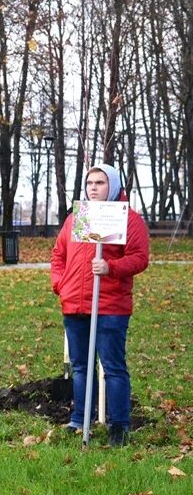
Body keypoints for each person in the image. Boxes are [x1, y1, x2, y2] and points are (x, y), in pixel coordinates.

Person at [50, 164, 149, 446]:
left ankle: (119, 425)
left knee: (113, 367)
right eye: (90, 183)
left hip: (109, 305)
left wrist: (111, 267)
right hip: (75, 303)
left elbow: (140, 257)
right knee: (81, 367)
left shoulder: (127, 219)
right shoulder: (76, 218)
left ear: (113, 186)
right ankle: (80, 419)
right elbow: (59, 254)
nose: (93, 187)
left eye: (100, 183)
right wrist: (61, 284)